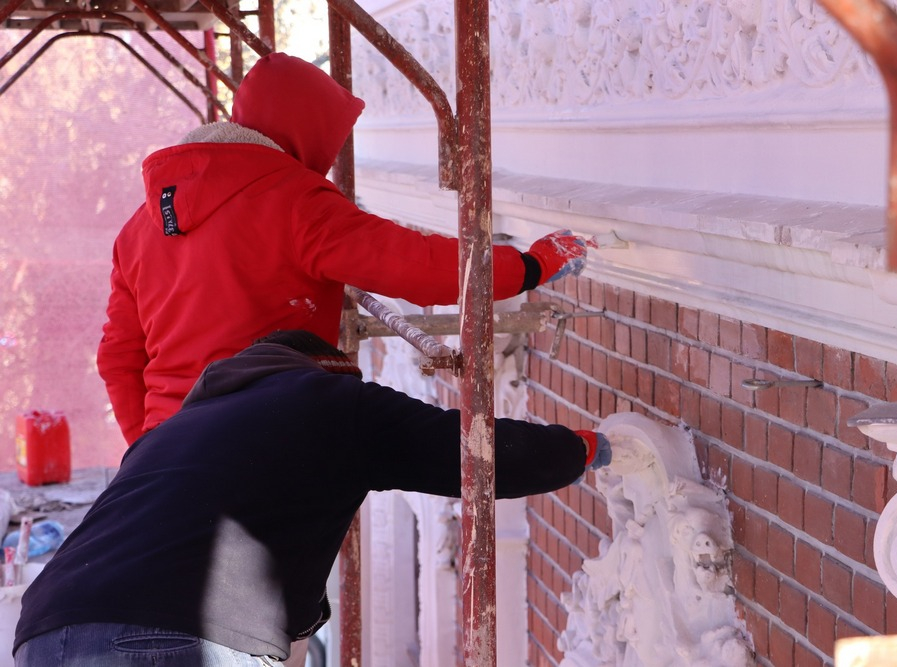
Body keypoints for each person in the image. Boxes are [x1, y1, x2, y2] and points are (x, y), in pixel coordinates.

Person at [14, 330, 611, 666]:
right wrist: (587, 448)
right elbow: (475, 453)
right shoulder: (331, 402)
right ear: (327, 370)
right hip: (172, 639)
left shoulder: (178, 430)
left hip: (44, 632)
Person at [97, 51, 589, 447]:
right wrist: (530, 265)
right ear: (305, 129)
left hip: (169, 449)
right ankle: (579, 451)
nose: (330, 158)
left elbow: (118, 357)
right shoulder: (291, 201)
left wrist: (147, 447)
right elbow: (413, 265)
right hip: (261, 440)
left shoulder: (140, 227)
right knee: (428, 446)